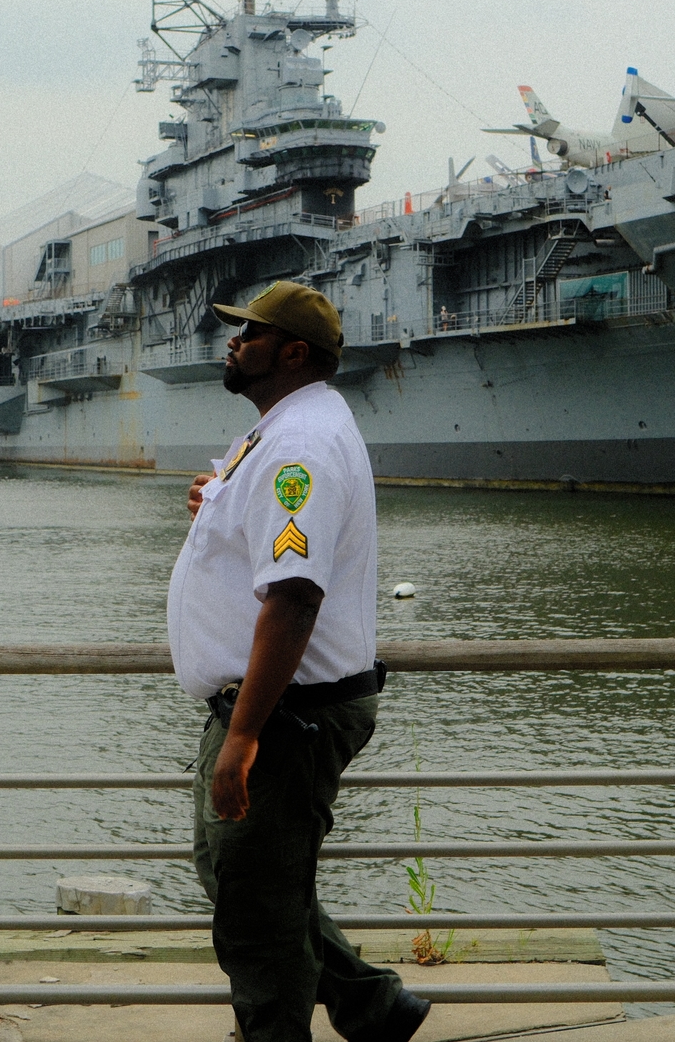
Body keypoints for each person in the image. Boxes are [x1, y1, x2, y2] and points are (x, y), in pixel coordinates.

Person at [167, 280, 430, 1042]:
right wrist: (216, 497)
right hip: (267, 708)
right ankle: (372, 1006)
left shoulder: (300, 443)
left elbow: (292, 596)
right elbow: (275, 525)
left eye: (248, 333)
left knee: (258, 921)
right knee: (239, 878)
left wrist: (245, 735)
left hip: (285, 716)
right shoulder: (283, 431)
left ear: (291, 352)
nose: (232, 342)